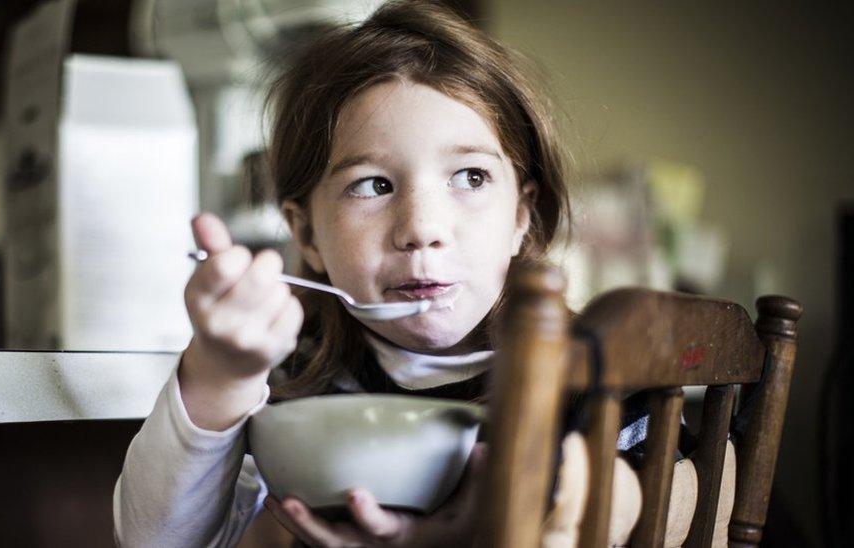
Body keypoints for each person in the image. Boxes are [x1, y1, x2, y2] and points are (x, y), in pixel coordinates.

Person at [114, 2, 649, 546]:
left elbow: (647, 505)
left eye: (470, 176)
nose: (421, 228)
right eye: (373, 185)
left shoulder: (591, 375)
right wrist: (219, 374)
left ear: (520, 216)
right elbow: (156, 541)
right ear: (307, 236)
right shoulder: (291, 374)